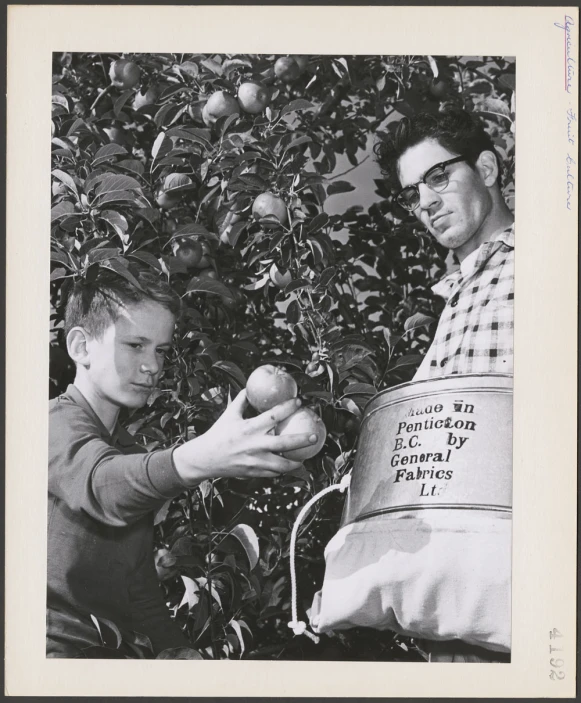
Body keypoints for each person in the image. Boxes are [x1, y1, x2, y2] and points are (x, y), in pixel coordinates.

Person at [47, 268, 319, 658]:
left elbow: (139, 590)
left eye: (160, 350)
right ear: (80, 347)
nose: (152, 366)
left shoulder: (126, 453)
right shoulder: (51, 421)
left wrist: (178, 651)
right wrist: (201, 458)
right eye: (135, 345)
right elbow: (101, 485)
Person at [376, 108, 514, 662]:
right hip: (457, 593)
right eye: (413, 193)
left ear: (486, 167)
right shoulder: (456, 298)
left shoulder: (547, 263)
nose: (425, 202)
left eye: (439, 178)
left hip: (517, 574)